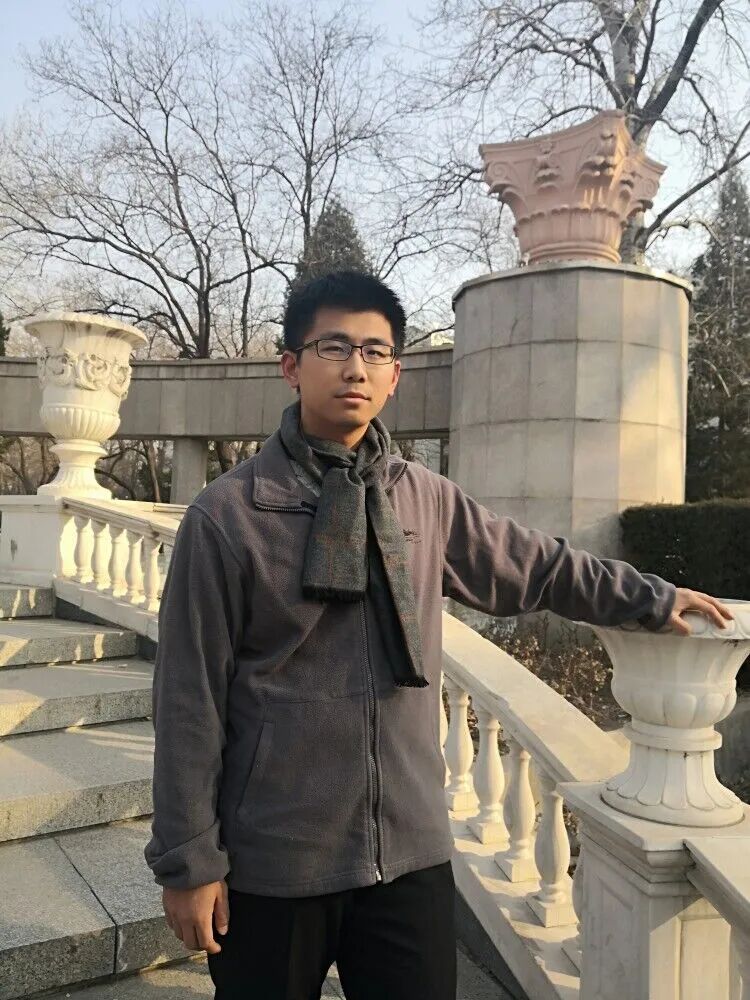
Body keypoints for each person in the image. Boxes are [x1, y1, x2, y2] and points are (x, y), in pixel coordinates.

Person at [144, 269, 733, 1000]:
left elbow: (538, 566)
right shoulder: (228, 516)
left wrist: (649, 598)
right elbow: (187, 698)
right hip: (274, 860)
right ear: (291, 366)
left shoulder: (422, 498)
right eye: (334, 347)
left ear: (394, 375)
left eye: (375, 351)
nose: (355, 367)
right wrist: (189, 861)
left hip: (409, 852)